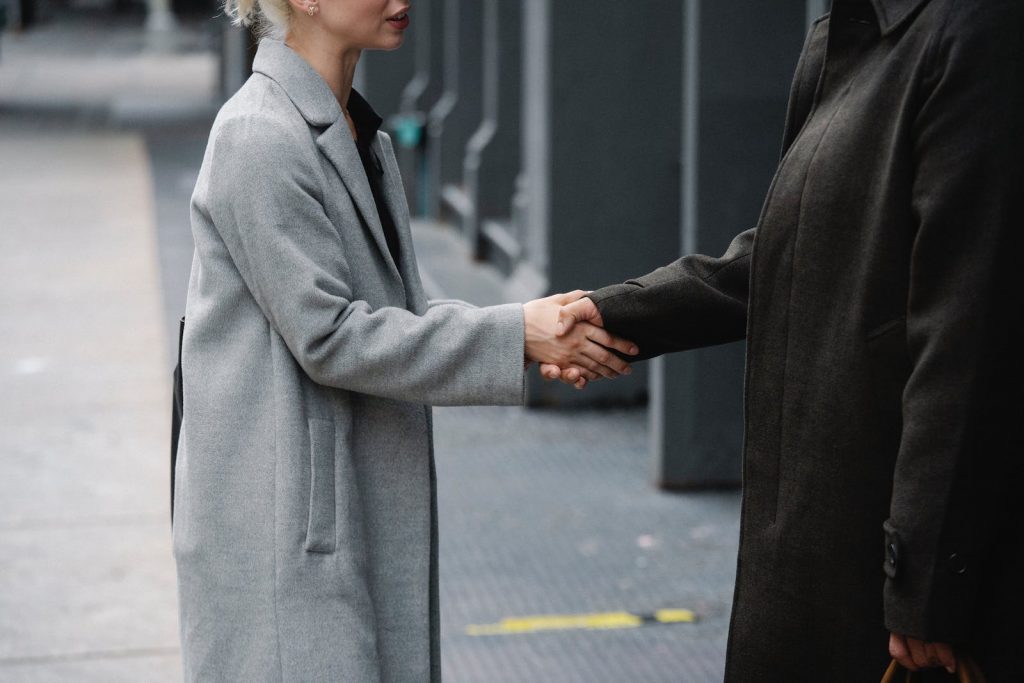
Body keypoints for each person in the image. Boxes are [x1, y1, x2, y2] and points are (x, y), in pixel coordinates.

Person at [547, 0, 1023, 680]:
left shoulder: (978, 28)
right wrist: (608, 313)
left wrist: (927, 586)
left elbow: (966, 336)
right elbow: (786, 252)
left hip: (885, 560)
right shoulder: (847, 28)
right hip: (813, 529)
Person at [172, 1, 636, 680]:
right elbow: (329, 333)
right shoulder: (258, 135)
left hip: (337, 496)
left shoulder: (357, 134)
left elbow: (396, 308)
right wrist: (517, 336)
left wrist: (529, 331)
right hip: (283, 521)